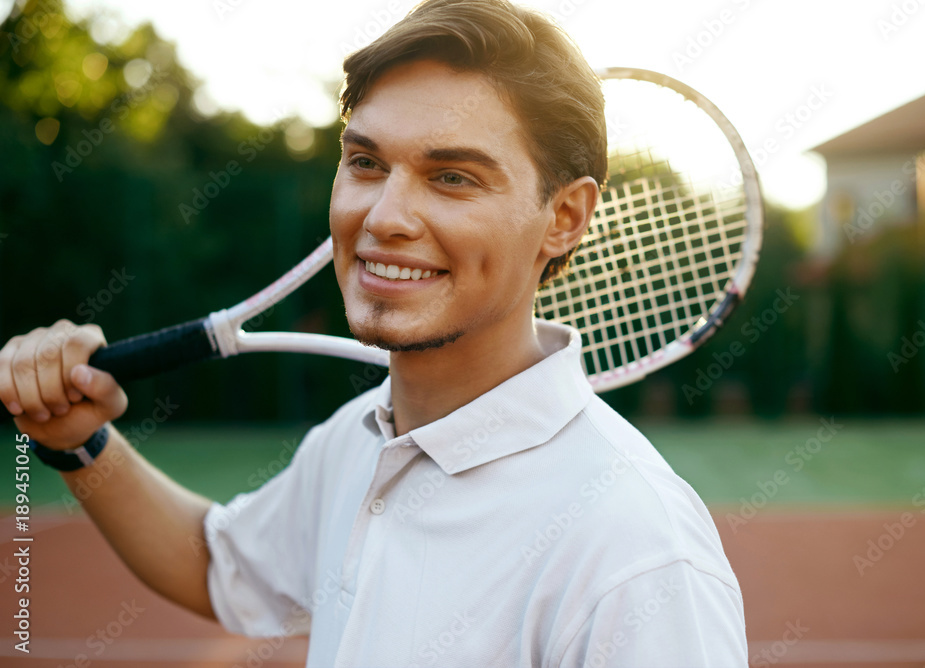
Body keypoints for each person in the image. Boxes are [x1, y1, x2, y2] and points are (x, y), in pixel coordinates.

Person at [0, 0, 747, 664]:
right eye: (365, 162)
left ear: (564, 218)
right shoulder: (357, 440)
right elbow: (218, 566)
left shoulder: (640, 554)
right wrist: (77, 440)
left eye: (453, 176)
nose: (385, 216)